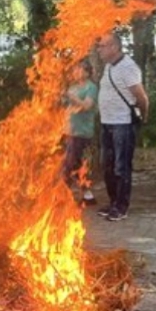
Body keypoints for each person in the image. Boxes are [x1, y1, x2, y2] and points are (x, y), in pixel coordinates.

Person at [95, 32, 149, 222]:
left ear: (114, 47)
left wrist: (143, 117)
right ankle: (113, 203)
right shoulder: (109, 67)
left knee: (121, 167)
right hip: (107, 124)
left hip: (123, 125)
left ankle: (121, 207)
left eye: (102, 46)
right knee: (107, 166)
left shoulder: (128, 67)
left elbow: (141, 97)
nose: (99, 49)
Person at [62, 58, 98, 206]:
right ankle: (88, 195)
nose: (76, 72)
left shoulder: (91, 88)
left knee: (71, 166)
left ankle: (66, 195)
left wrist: (73, 98)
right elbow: (66, 108)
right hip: (69, 132)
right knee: (75, 165)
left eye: (80, 69)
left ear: (87, 72)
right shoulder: (73, 88)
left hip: (82, 133)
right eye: (75, 69)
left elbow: (87, 106)